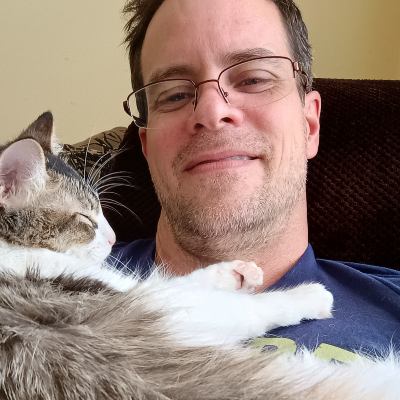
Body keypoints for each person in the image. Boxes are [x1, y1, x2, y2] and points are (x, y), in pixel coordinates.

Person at [112, 0, 400, 361]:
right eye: (175, 95)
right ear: (147, 147)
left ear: (310, 125)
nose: (212, 111)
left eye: (253, 79)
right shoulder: (53, 280)